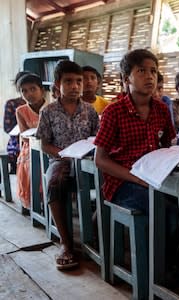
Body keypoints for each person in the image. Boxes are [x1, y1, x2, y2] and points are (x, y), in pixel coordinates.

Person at [94, 49, 176, 215]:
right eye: (141, 71)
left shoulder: (162, 109)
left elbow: (168, 146)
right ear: (126, 79)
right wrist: (137, 178)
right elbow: (100, 159)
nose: (149, 76)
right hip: (122, 182)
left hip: (153, 177)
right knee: (165, 208)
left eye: (153, 71)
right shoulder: (114, 112)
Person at [36, 60, 99, 270]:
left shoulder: (90, 111)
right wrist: (64, 155)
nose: (75, 86)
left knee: (110, 181)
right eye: (69, 81)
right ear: (57, 84)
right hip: (60, 159)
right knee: (54, 182)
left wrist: (86, 153)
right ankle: (65, 242)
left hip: (87, 160)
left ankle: (96, 233)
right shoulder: (49, 111)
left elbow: (97, 139)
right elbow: (44, 144)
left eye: (79, 81)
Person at [15, 73, 47, 215]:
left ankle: (47, 199)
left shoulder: (51, 107)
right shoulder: (21, 111)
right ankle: (32, 200)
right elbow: (24, 136)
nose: (29, 94)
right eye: (24, 91)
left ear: (42, 90)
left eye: (33, 89)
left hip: (49, 145)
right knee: (27, 165)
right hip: (30, 147)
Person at [4, 71, 29, 173]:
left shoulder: (41, 105)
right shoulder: (12, 104)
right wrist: (22, 128)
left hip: (35, 139)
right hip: (17, 141)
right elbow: (7, 128)